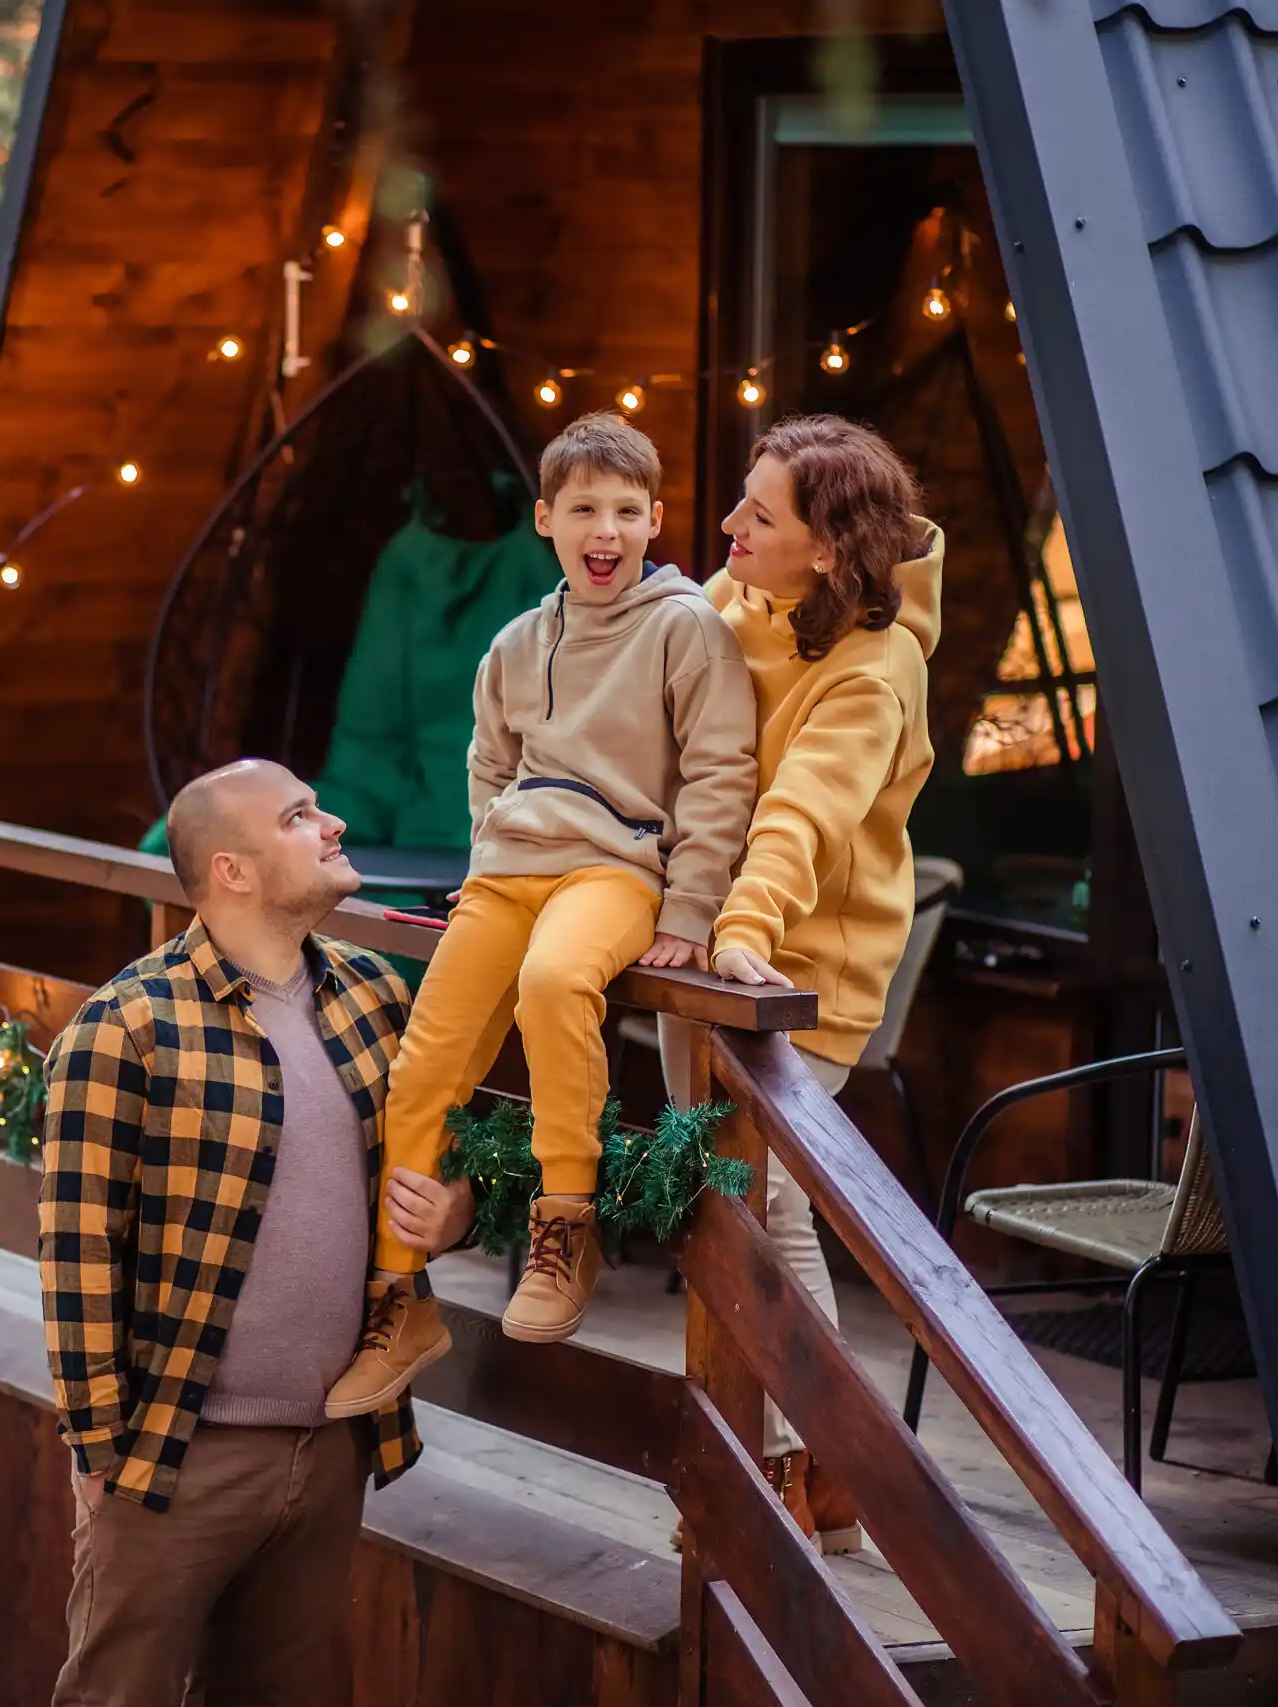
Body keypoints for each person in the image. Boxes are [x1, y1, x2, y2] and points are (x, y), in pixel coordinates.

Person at [326, 412, 761, 1417]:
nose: (602, 530)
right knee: (425, 1064)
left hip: (615, 874)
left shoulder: (684, 627)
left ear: (655, 520)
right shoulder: (520, 641)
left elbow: (719, 774)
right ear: (545, 521)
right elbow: (486, 761)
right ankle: (398, 1301)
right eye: (581, 511)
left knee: (557, 981)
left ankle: (568, 1226)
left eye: (623, 511)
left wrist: (690, 907)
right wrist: (493, 846)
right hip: (508, 874)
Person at [39, 758, 476, 1707]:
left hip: (330, 1446)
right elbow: (77, 1252)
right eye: (300, 816)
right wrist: (103, 1453)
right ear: (233, 869)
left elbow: (455, 1158)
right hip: (172, 1457)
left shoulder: (377, 997)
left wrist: (457, 1209)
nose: (334, 823)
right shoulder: (126, 1027)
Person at [671, 412, 943, 1553]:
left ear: (828, 549)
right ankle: (815, 1473)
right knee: (725, 1198)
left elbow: (802, 819)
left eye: (758, 513)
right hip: (697, 955)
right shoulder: (740, 601)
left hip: (798, 972)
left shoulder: (873, 670)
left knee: (765, 1213)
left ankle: (806, 1466)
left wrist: (742, 929)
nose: (730, 523)